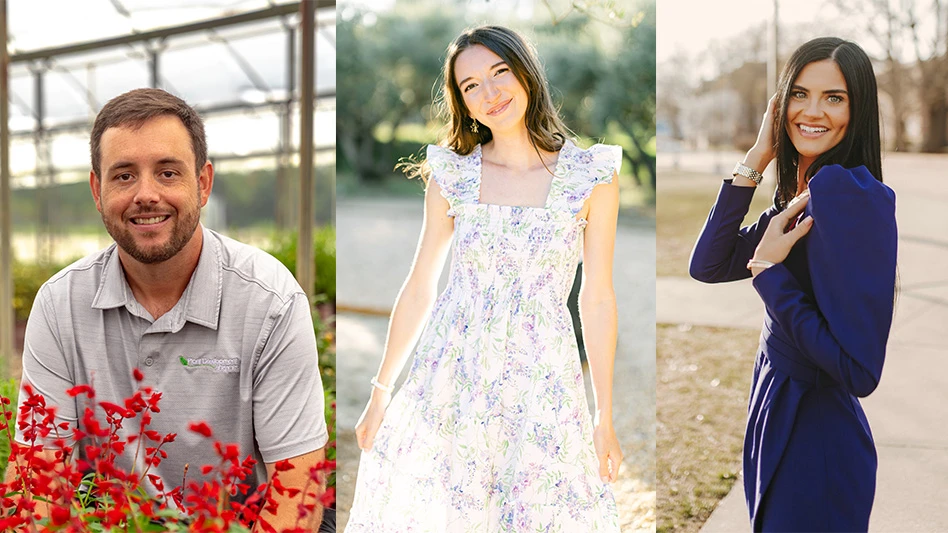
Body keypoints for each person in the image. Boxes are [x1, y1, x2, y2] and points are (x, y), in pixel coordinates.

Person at [11, 88, 329, 529]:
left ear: (202, 183)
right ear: (97, 190)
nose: (146, 194)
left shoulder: (270, 301)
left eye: (167, 173)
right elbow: (38, 482)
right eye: (123, 175)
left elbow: (299, 486)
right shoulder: (59, 304)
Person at [347, 25, 623, 532]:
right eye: (471, 85)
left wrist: (602, 414)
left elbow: (598, 299)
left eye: (499, 73)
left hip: (542, 374)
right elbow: (421, 286)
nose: (490, 93)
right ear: (462, 101)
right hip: (452, 372)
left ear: (526, 73)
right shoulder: (453, 175)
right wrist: (381, 390)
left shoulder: (591, 175)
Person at [690, 37, 898, 531]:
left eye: (834, 97)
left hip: (817, 442)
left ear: (858, 107)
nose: (812, 111)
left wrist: (769, 275)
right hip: (778, 412)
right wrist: (758, 156)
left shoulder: (846, 194)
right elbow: (709, 264)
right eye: (799, 94)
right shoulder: (805, 193)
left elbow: (859, 372)